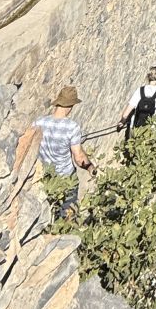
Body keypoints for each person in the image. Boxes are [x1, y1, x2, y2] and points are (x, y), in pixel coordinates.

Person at [14, 85, 95, 217]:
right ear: (70, 106)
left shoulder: (39, 122)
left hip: (47, 177)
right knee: (68, 214)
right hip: (66, 178)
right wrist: (90, 167)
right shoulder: (72, 127)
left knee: (49, 211)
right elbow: (79, 157)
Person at [120, 65, 156, 142]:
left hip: (135, 129)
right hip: (151, 130)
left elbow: (126, 112)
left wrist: (122, 122)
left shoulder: (140, 90)